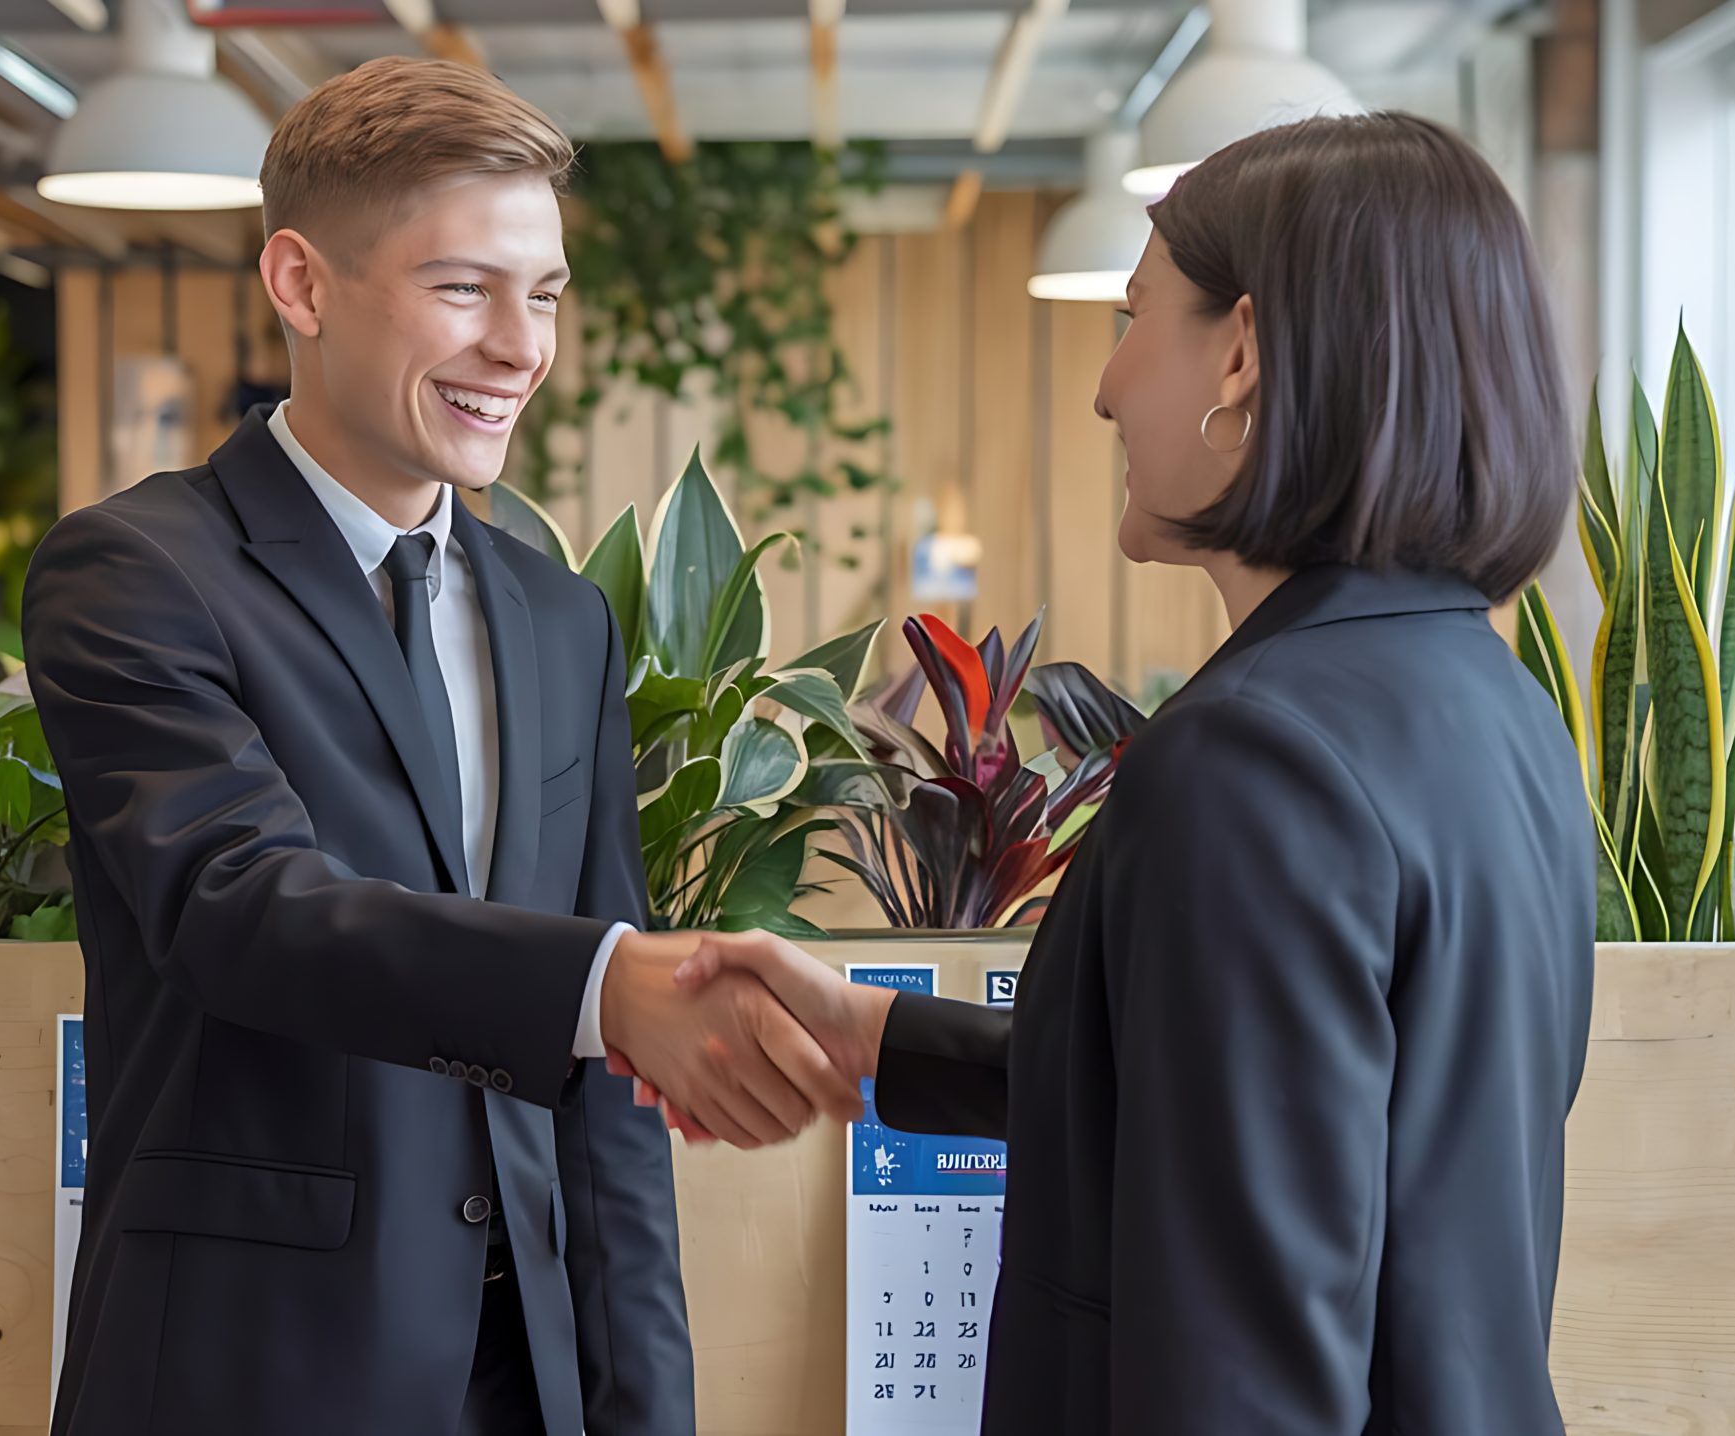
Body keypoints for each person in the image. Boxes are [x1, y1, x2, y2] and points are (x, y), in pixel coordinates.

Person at [660, 112, 1596, 1434]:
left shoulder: (1253, 761)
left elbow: (1243, 1371)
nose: (1102, 384)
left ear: (1245, 352)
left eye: (1135, 313)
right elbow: (1270, 1120)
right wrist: (876, 1039)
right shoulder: (1487, 704)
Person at [22, 58, 856, 1436]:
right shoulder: (136, 572)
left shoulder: (559, 616)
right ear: (302, 284)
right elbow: (241, 911)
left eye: (544, 296)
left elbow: (607, 1099)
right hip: (252, 1373)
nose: (522, 348)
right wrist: (603, 983)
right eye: (465, 288)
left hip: (528, 1375)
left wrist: (645, 1406)